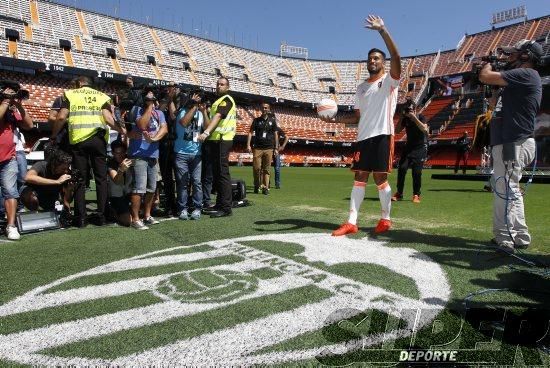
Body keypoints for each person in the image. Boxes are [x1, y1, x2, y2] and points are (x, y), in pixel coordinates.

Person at [322, 15, 401, 236]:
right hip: (363, 137)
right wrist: (334, 119)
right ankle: (351, 222)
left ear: (382, 62)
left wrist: (382, 30)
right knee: (359, 178)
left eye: (376, 58)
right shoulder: (360, 88)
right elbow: (357, 117)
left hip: (383, 135)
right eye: (370, 59)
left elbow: (396, 55)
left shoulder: (389, 81)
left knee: (380, 179)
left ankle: (385, 219)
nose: (372, 61)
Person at [479, 39, 542, 253]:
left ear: (526, 56)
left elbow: (485, 76)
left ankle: (505, 238)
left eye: (514, 53)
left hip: (513, 141)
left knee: (503, 188)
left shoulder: (526, 74)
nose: (510, 57)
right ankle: (521, 235)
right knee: (511, 188)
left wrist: (488, 64)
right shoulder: (522, 79)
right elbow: (493, 104)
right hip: (514, 140)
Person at [52, 76, 125, 228]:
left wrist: (53, 135)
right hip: (98, 140)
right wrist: (121, 130)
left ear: (79, 84)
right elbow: (108, 119)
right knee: (101, 179)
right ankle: (103, 216)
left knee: (80, 179)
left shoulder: (71, 94)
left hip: (79, 141)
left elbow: (60, 117)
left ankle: (81, 218)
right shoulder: (102, 96)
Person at [126, 88, 168, 230]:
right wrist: (149, 106)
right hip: (138, 155)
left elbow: (164, 129)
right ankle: (135, 219)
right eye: (148, 98)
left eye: (152, 98)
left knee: (151, 188)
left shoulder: (160, 113)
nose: (151, 99)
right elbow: (143, 124)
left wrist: (154, 138)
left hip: (153, 154)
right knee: (139, 188)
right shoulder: (137, 110)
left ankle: (147, 215)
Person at [198, 77, 236, 218]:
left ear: (227, 87)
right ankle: (220, 204)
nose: (219, 86)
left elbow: (219, 116)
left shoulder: (227, 99)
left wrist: (206, 132)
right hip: (215, 140)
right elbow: (212, 120)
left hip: (222, 139)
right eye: (218, 84)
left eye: (222, 84)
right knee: (218, 174)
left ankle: (226, 208)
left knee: (222, 174)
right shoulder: (218, 101)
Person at [0, 84, 33, 240]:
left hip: (9, 157)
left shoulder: (12, 110)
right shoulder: (3, 106)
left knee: (10, 191)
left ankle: (11, 225)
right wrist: (6, 101)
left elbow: (29, 125)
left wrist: (18, 104)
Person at [174, 91, 209, 220]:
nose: (198, 103)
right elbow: (183, 123)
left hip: (196, 153)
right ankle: (183, 208)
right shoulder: (183, 111)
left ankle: (197, 207)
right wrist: (194, 106)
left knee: (196, 182)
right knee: (183, 182)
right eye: (195, 100)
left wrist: (204, 111)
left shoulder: (200, 113)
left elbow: (207, 127)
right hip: (181, 153)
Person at [392, 100, 428, 203]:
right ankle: (399, 193)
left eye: (411, 109)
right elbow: (397, 130)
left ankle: (416, 194)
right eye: (407, 110)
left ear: (415, 109)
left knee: (416, 172)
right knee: (402, 169)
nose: (409, 111)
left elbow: (425, 129)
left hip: (420, 147)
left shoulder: (421, 117)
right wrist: (402, 117)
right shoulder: (405, 119)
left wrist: (414, 117)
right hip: (409, 147)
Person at [20, 148, 74, 212]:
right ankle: (33, 213)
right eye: (63, 168)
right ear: (54, 165)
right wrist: (57, 182)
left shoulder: (66, 174)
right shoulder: (41, 165)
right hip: (32, 191)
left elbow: (67, 201)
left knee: (52, 212)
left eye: (67, 168)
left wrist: (69, 190)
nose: (66, 171)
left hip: (49, 196)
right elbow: (28, 177)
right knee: (31, 198)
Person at [247, 102, 278, 195]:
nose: (264, 109)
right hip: (257, 148)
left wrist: (276, 148)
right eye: (263, 108)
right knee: (256, 168)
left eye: (266, 108)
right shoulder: (256, 120)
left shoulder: (272, 121)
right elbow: (250, 133)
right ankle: (257, 185)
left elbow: (276, 134)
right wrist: (248, 145)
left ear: (269, 109)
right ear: (260, 109)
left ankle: (265, 187)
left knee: (267, 169)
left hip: (269, 148)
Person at [107, 140, 132, 227]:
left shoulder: (129, 160)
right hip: (117, 196)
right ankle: (113, 211)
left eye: (122, 152)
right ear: (113, 153)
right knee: (127, 221)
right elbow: (116, 181)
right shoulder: (110, 163)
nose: (120, 155)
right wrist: (121, 170)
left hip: (129, 193)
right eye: (117, 153)